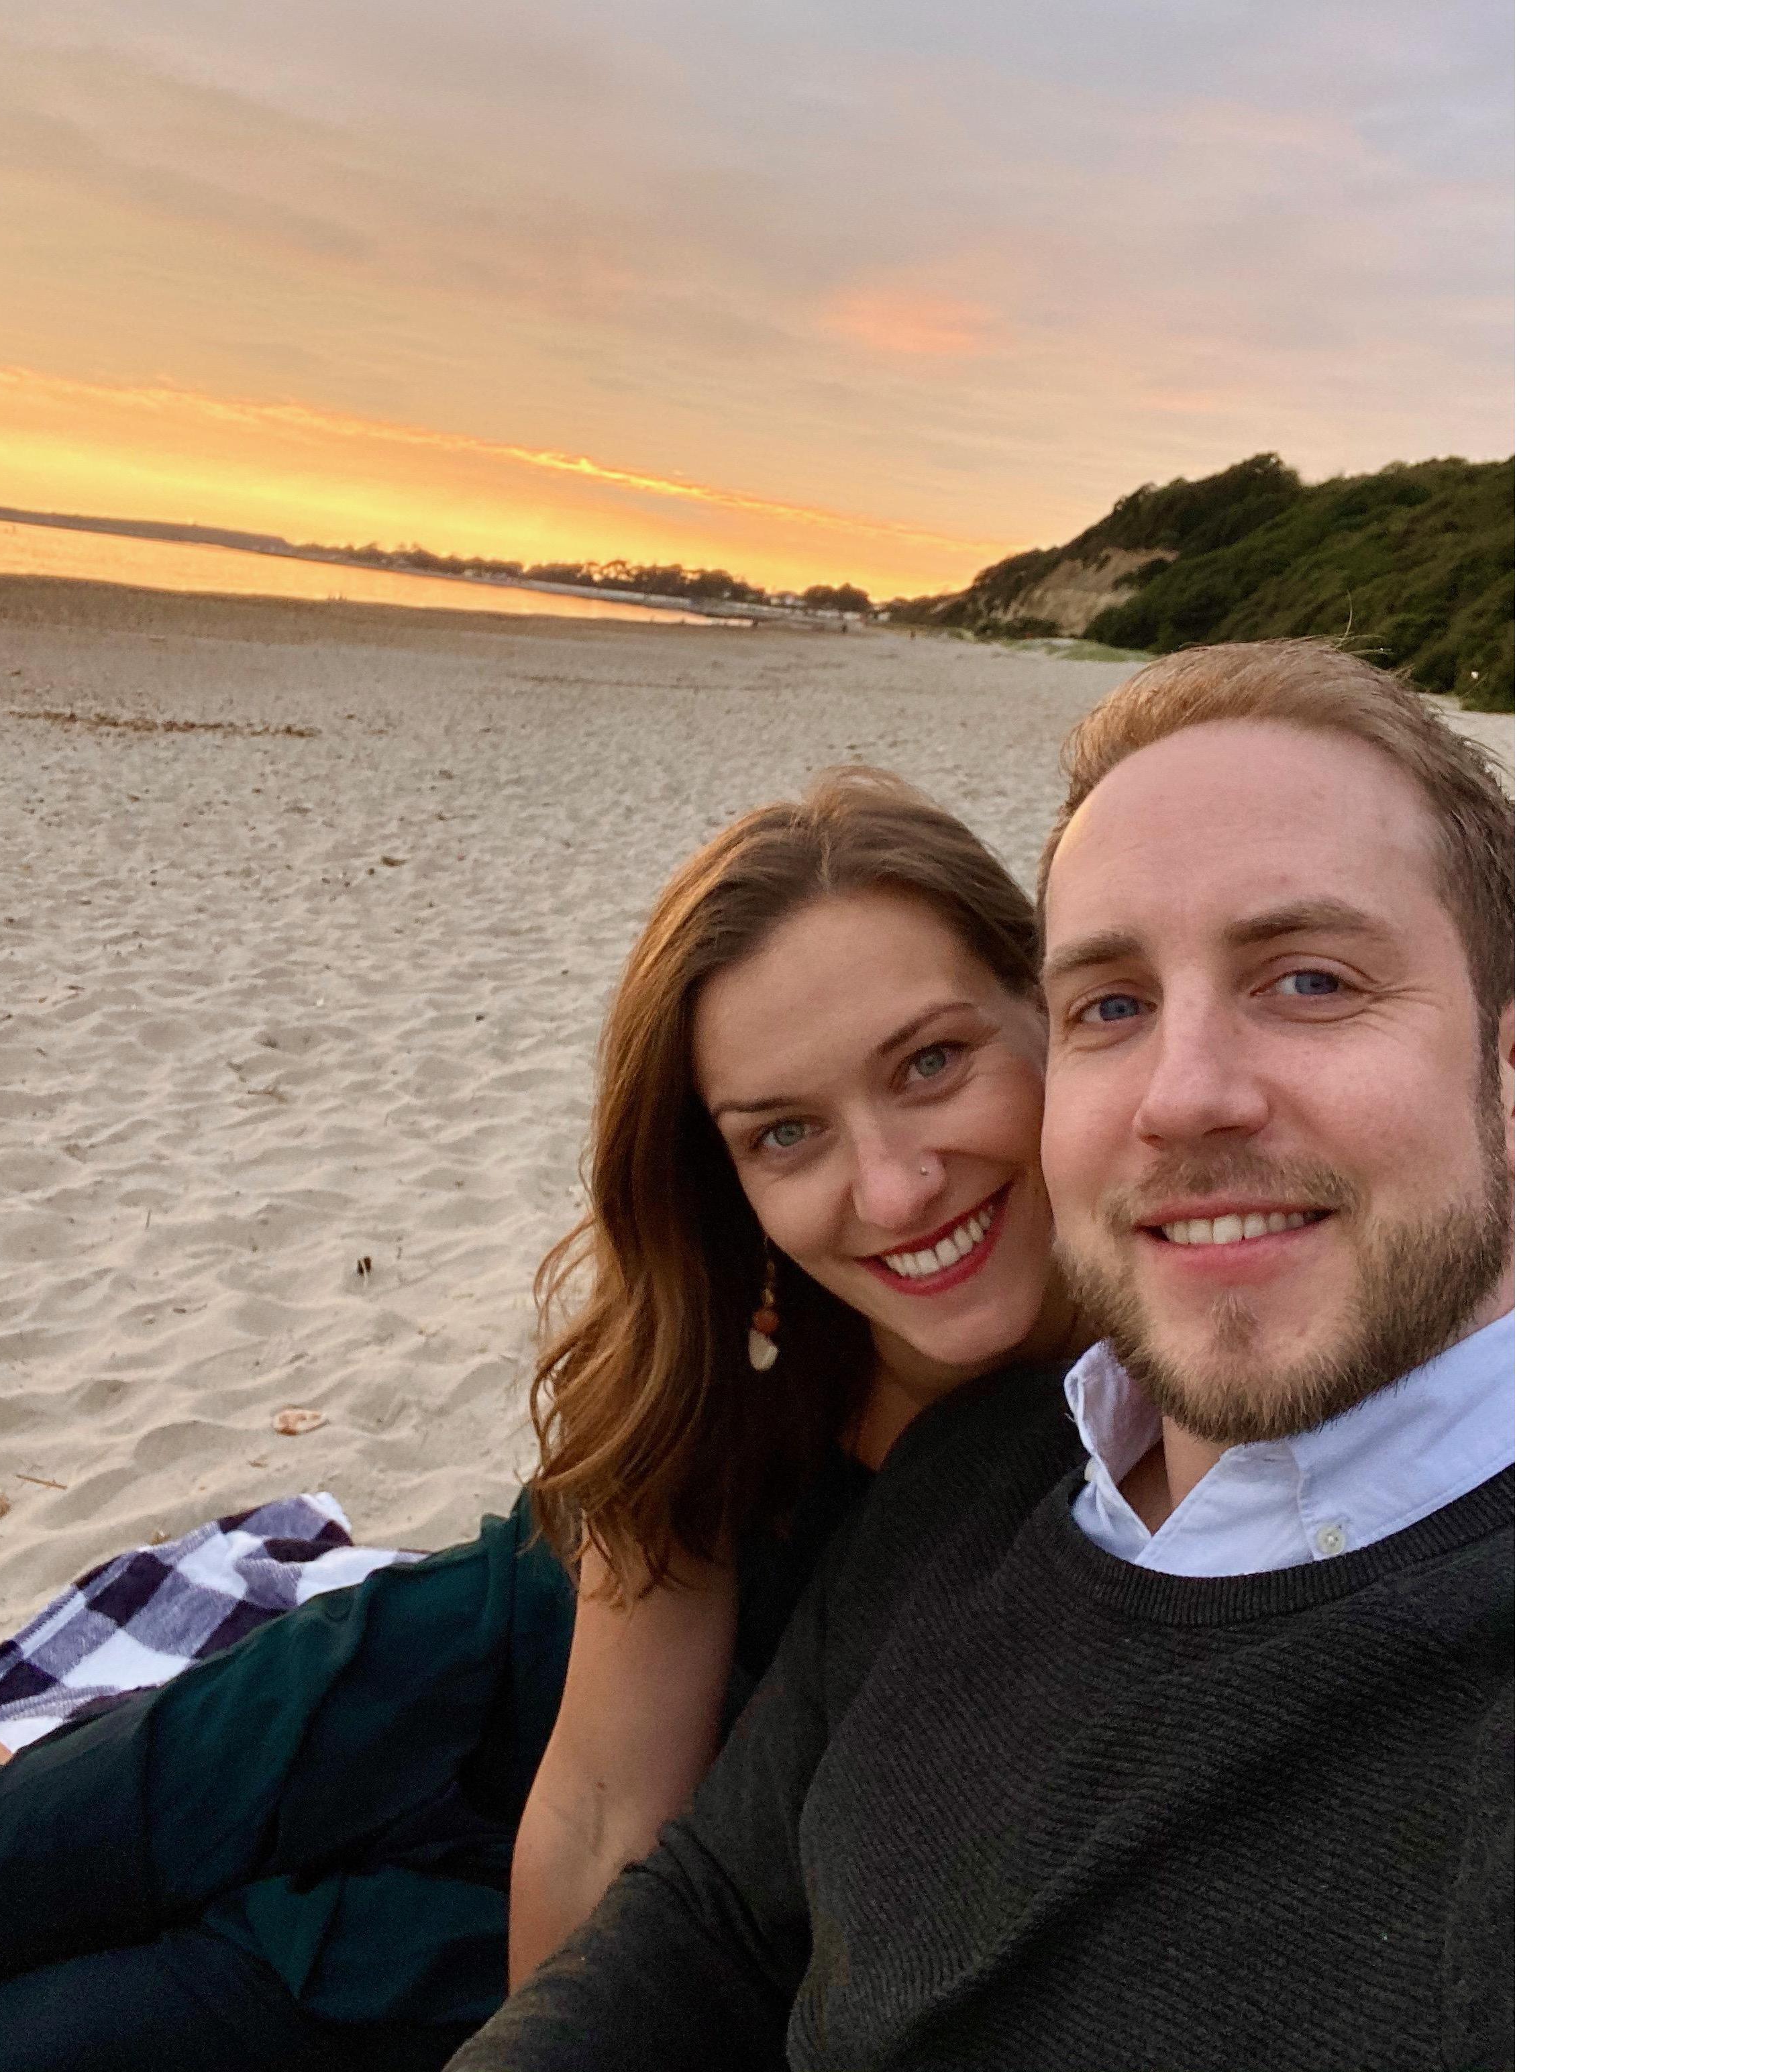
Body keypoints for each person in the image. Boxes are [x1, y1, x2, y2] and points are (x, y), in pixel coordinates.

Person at [450, 637, 1516, 2071]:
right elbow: (697, 1914)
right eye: (1113, 1006)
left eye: (1310, 977)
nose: (1182, 1093)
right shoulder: (981, 1460)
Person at [0, 768, 1090, 2071]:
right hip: (446, 1677)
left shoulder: (1187, 1381)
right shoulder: (741, 1352)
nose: (891, 1186)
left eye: (931, 1061)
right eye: (784, 1132)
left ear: (1051, 1010)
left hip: (532, 1907)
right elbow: (600, 1798)